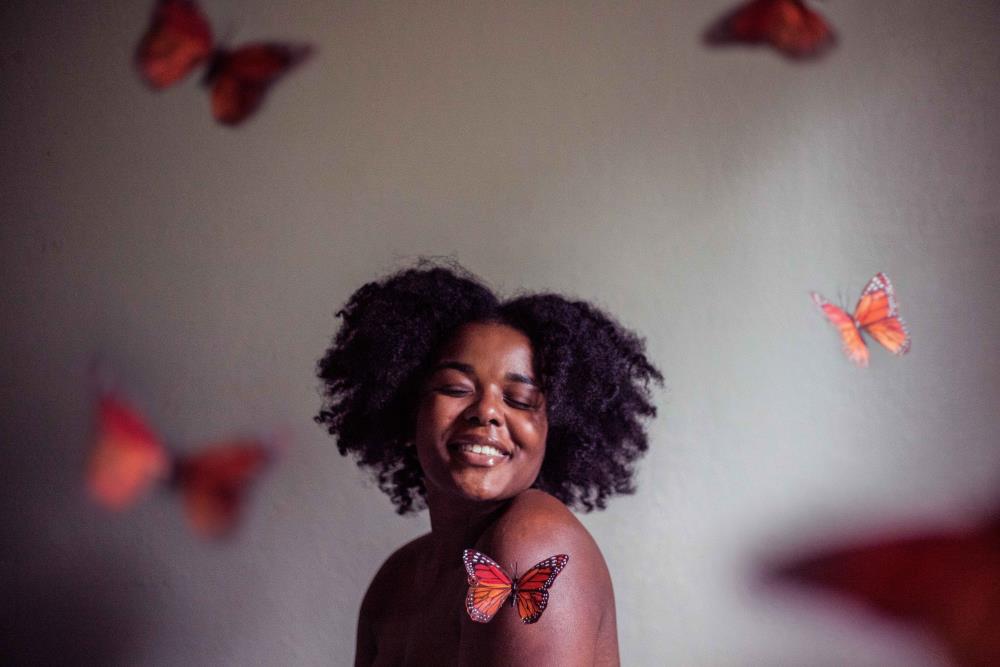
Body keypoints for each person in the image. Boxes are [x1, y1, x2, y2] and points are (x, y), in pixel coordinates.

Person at [316, 262, 661, 666]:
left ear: (556, 431)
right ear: (408, 410)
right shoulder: (398, 578)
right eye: (455, 389)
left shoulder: (531, 542)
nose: (487, 412)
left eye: (519, 400)